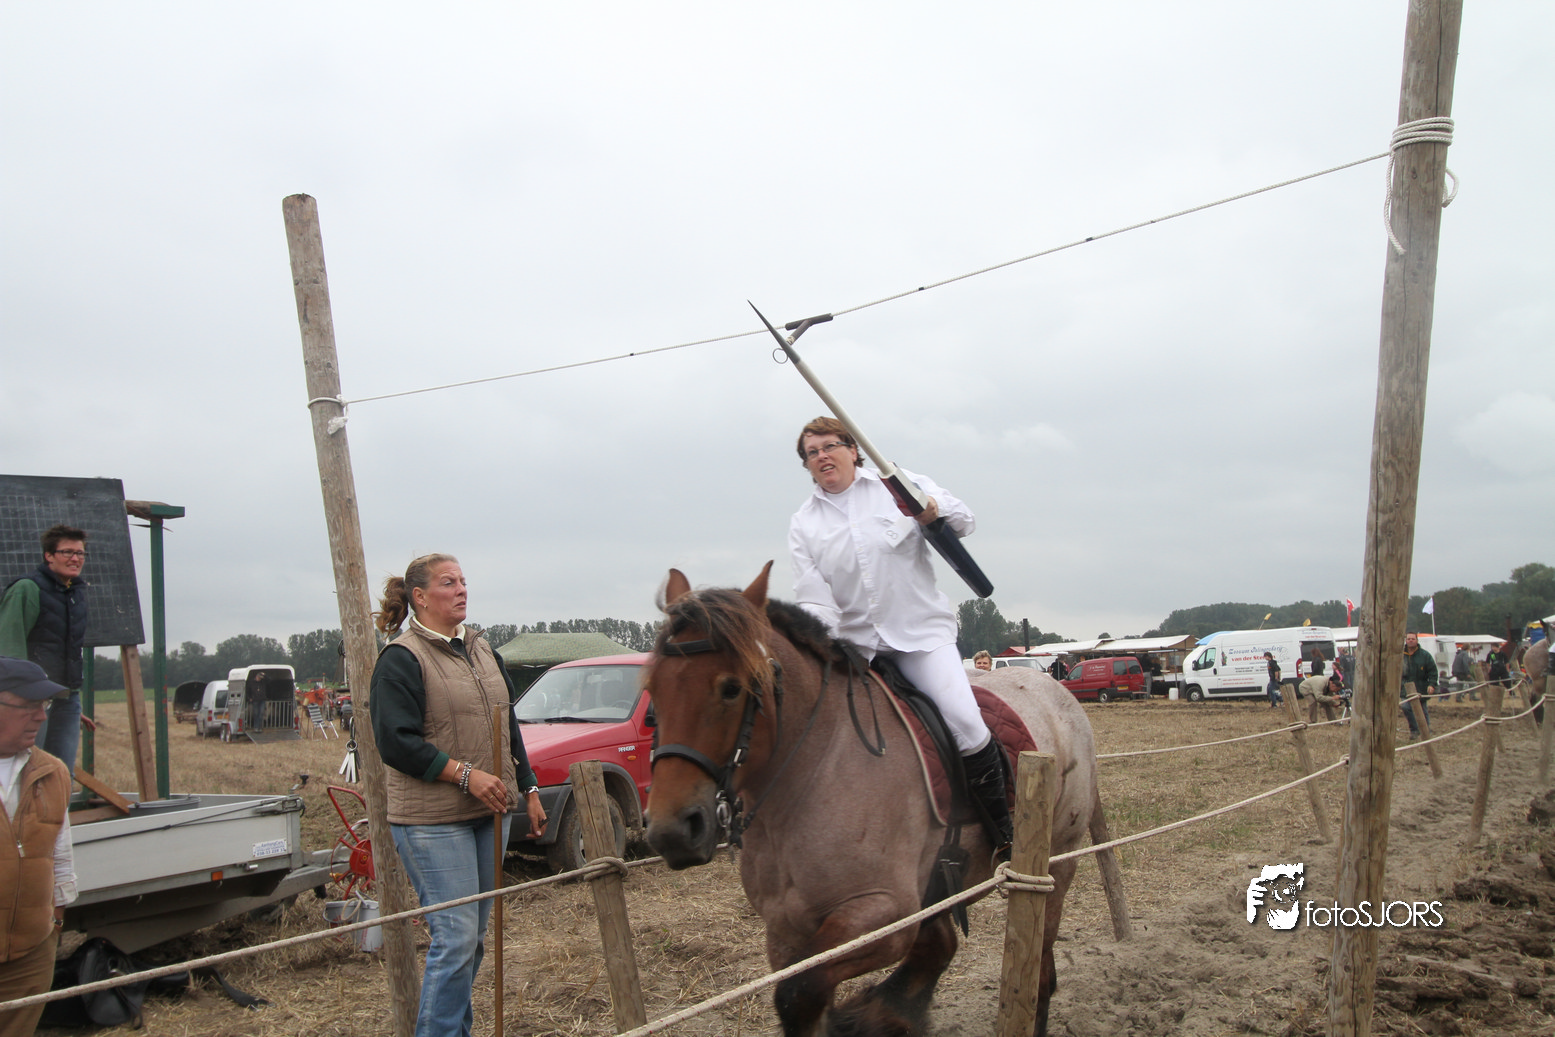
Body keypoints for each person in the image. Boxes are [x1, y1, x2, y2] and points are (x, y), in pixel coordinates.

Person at [788, 416, 1012, 848]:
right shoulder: (803, 523)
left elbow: (964, 520)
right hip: (855, 648)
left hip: (920, 638)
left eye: (830, 446)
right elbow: (815, 600)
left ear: (853, 450)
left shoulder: (896, 484)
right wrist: (817, 649)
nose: (822, 457)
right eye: (812, 453)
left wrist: (930, 508)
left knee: (966, 723)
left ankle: (1004, 834)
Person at [370, 554, 548, 1037]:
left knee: (473, 940)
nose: (462, 589)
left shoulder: (483, 650)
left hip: (489, 815)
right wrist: (466, 776)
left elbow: (507, 724)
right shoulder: (402, 658)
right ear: (420, 597)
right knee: (456, 938)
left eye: (464, 581)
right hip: (432, 821)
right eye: (449, 583)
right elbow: (395, 742)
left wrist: (529, 787)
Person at [0, 659, 76, 1037]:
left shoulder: (53, 772)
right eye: (29, 705)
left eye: (43, 706)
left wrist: (54, 927)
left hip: (30, 958)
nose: (41, 717)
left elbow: (60, 858)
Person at [0, 525, 89, 778]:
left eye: (80, 553)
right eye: (67, 552)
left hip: (67, 697)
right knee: (25, 770)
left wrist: (72, 698)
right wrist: (17, 702)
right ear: (48, 555)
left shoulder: (77, 594)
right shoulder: (26, 589)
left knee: (60, 775)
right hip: (31, 699)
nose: (75, 559)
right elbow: (8, 650)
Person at [1401, 631, 1438, 740]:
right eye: (1408, 639)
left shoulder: (1425, 656)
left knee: (1422, 710)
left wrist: (1432, 684)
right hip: (1405, 687)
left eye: (1413, 639)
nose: (1410, 641)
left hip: (1420, 687)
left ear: (1417, 641)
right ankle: (1414, 730)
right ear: (1406, 640)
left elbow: (1432, 671)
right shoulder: (1400, 655)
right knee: (1406, 707)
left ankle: (1426, 730)